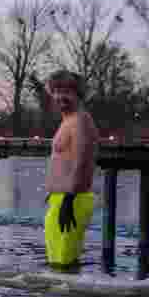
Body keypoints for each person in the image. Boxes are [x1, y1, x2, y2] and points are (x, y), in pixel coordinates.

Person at [43, 70, 99, 269]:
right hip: (63, 198)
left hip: (72, 199)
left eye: (67, 91)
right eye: (56, 91)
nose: (60, 97)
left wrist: (68, 198)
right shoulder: (68, 120)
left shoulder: (80, 120)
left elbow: (81, 161)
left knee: (61, 262)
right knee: (59, 260)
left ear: (78, 95)